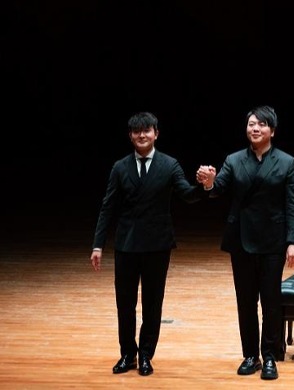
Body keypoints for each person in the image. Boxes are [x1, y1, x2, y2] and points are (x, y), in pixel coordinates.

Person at [90, 112, 210, 376]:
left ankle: (146, 355)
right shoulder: (120, 167)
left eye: (147, 131)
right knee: (125, 303)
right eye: (136, 132)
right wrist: (98, 245)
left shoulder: (169, 165)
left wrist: (205, 186)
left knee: (153, 303)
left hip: (157, 245)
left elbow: (188, 195)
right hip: (127, 245)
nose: (141, 135)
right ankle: (127, 354)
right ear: (130, 136)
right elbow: (107, 207)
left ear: (156, 133)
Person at [196, 105, 294, 381]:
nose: (255, 128)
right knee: (245, 301)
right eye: (251, 124)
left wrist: (293, 241)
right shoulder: (234, 160)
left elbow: (292, 205)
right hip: (241, 240)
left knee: (270, 300)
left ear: (272, 131)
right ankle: (250, 356)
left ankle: (269, 356)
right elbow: (218, 189)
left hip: (273, 241)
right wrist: (209, 182)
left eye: (261, 125)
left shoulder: (286, 162)